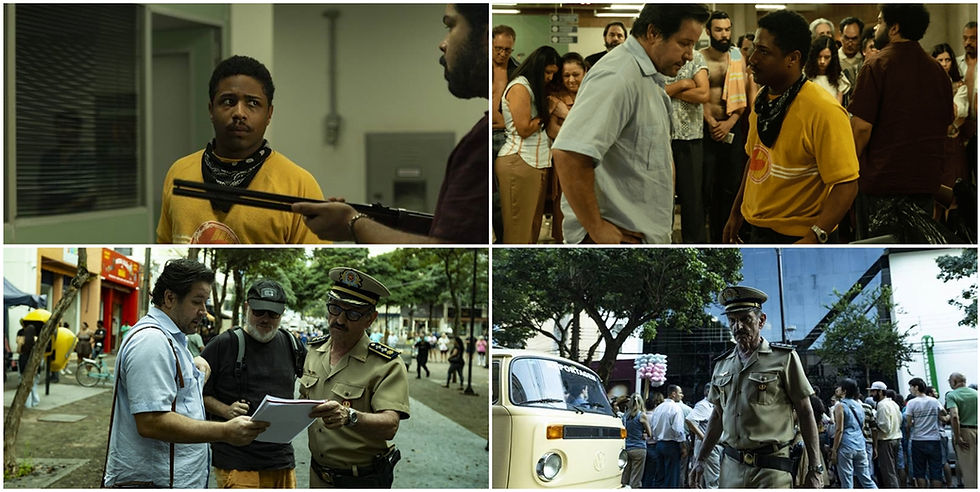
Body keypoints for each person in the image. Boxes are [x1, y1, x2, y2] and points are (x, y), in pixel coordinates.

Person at [292, 4, 488, 244]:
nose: (442, 43)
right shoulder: (482, 136)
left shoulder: (482, 143)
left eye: (451, 26)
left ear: (486, 33)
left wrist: (354, 224)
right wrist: (366, 220)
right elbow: (447, 230)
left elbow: (447, 249)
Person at [553, 3, 711, 244]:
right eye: (684, 43)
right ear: (653, 33)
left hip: (642, 237)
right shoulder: (618, 75)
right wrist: (597, 229)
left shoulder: (650, 77)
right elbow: (569, 154)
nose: (689, 55)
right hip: (615, 243)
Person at [103, 259, 268, 488]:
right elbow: (151, 421)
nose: (203, 311)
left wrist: (193, 365)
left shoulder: (172, 338)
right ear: (170, 298)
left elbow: (175, 396)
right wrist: (224, 431)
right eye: (197, 302)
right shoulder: (152, 341)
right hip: (155, 482)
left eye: (205, 302)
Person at [722, 9, 859, 244]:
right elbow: (755, 160)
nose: (753, 59)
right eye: (755, 49)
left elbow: (846, 185)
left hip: (798, 236)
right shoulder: (763, 102)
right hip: (758, 228)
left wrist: (814, 238)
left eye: (763, 52)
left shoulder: (823, 109)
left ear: (792, 59)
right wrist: (735, 214)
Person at [156, 55, 324, 244]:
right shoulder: (179, 173)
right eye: (228, 101)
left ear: (269, 114)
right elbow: (164, 242)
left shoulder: (299, 186)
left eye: (252, 103)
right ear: (211, 109)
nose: (239, 113)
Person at [690, 285, 824, 488]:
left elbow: (805, 412)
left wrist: (815, 468)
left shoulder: (784, 358)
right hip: (731, 467)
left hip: (772, 469)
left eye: (745, 319)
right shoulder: (722, 365)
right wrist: (700, 459)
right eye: (733, 321)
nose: (738, 326)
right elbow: (717, 415)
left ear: (761, 321)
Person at [848, 4, 953, 241]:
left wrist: (847, 174)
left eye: (880, 21)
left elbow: (862, 129)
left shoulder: (877, 65)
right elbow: (945, 126)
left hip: (882, 187)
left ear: (894, 28)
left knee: (879, 244)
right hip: (924, 188)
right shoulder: (938, 71)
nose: (876, 27)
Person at [301, 267, 410, 488]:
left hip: (361, 480)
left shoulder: (386, 363)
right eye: (334, 308)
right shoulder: (313, 351)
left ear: (370, 318)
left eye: (352, 313)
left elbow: (390, 425)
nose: (339, 319)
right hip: (318, 476)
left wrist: (350, 416)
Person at [200, 279, 307, 488]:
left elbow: (311, 380)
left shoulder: (291, 344)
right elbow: (194, 394)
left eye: (273, 314)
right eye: (260, 312)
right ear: (247, 307)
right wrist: (226, 410)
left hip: (281, 459)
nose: (266, 319)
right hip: (237, 460)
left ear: (282, 313)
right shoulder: (225, 344)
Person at [496, 46, 561, 244]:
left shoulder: (534, 88)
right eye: (547, 72)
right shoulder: (520, 87)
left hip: (536, 162)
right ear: (536, 67)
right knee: (519, 230)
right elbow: (524, 129)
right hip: (519, 161)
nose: (549, 77)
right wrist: (547, 111)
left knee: (532, 227)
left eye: (553, 73)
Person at [700, 10, 749, 243]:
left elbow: (743, 96)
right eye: (718, 30)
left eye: (727, 30)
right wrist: (711, 122)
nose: (724, 34)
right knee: (708, 188)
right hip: (707, 129)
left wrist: (729, 123)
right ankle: (712, 238)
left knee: (733, 186)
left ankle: (729, 236)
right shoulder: (699, 58)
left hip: (732, 127)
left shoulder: (737, 56)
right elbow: (700, 97)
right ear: (708, 31)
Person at [665, 47, 709, 243]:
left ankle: (695, 246)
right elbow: (654, 92)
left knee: (692, 199)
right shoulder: (658, 58)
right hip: (661, 136)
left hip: (690, 136)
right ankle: (664, 244)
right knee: (662, 197)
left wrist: (670, 91)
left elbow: (702, 94)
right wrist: (683, 84)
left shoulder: (696, 57)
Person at [544, 52, 589, 243]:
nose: (571, 80)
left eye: (575, 75)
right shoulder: (555, 98)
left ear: (585, 72)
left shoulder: (594, 93)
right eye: (566, 75)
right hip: (566, 160)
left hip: (593, 161)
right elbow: (552, 129)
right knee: (565, 204)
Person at [831, 378, 877, 488]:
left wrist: (834, 450)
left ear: (844, 391)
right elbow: (860, 426)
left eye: (839, 387)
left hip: (846, 445)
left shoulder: (840, 406)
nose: (837, 389)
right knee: (866, 479)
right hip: (860, 445)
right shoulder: (859, 405)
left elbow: (839, 430)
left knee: (847, 482)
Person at [905, 377, 946, 488]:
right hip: (934, 439)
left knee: (920, 471)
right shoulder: (934, 401)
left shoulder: (911, 403)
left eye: (911, 387)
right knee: (936, 471)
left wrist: (911, 428)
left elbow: (908, 423)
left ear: (916, 387)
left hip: (918, 440)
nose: (910, 390)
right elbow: (944, 412)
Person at [648, 384, 687, 488]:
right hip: (671, 445)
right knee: (672, 477)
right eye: (680, 393)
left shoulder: (658, 408)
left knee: (660, 476)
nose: (682, 395)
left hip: (659, 445)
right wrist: (683, 446)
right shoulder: (676, 408)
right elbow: (678, 429)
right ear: (673, 394)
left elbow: (653, 427)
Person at [492, 25, 519, 158]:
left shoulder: (518, 73)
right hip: (482, 131)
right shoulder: (478, 70)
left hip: (505, 135)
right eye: (498, 49)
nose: (503, 54)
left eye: (507, 50)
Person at [946, 372, 977, 488]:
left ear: (954, 381)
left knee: (970, 470)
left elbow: (954, 416)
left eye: (949, 380)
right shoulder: (976, 394)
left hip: (965, 432)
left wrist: (958, 436)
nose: (949, 383)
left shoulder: (952, 395)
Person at [686, 385, 721, 488]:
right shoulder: (703, 405)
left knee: (710, 478)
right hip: (708, 446)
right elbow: (689, 420)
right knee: (713, 479)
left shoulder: (715, 405)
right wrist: (705, 438)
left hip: (715, 445)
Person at [870, 381, 902, 488]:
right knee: (894, 470)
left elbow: (884, 427)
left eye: (874, 391)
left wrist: (874, 423)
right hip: (896, 438)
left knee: (888, 472)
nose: (872, 394)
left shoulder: (882, 405)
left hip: (886, 441)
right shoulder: (893, 403)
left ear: (880, 392)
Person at [805, 36, 850, 104]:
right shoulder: (804, 76)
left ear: (833, 58)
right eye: (819, 57)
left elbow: (838, 107)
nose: (822, 61)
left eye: (826, 57)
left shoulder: (839, 78)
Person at [621, 393, 653, 488]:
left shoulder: (625, 416)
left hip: (627, 448)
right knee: (636, 476)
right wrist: (644, 434)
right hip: (639, 448)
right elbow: (650, 434)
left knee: (626, 474)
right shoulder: (642, 415)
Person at [838, 17, 865, 86]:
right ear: (841, 35)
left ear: (861, 37)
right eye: (846, 38)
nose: (850, 44)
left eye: (854, 39)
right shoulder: (833, 59)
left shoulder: (865, 59)